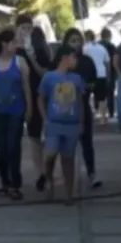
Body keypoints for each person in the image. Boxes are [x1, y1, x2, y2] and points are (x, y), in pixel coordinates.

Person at [38, 45, 87, 204]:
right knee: (50, 153)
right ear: (64, 58)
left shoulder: (77, 79)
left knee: (68, 159)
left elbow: (80, 102)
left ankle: (69, 194)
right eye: (74, 57)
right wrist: (45, 117)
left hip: (71, 124)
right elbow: (41, 98)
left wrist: (81, 121)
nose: (76, 61)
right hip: (54, 123)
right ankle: (48, 178)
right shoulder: (49, 77)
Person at [0, 29, 31, 201]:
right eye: (13, 42)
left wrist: (29, 108)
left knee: (13, 146)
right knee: (1, 148)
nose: (16, 45)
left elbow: (26, 87)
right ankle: (4, 182)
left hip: (16, 110)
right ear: (4, 44)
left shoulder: (20, 62)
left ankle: (15, 184)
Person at [13, 14, 53, 192]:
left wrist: (31, 56)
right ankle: (40, 175)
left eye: (28, 28)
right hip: (19, 97)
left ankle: (48, 172)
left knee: (43, 136)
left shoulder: (38, 45)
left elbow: (45, 72)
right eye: (22, 28)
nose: (25, 32)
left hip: (39, 95)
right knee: (33, 137)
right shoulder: (12, 48)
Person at [64, 29, 102, 188]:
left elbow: (94, 82)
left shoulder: (87, 61)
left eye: (78, 40)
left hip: (83, 107)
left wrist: (88, 89)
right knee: (67, 146)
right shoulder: (62, 62)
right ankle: (68, 178)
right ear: (66, 43)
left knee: (87, 142)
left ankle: (91, 172)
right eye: (72, 41)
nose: (76, 44)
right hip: (65, 109)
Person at [82, 30, 111, 126]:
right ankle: (103, 118)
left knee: (86, 97)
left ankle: (90, 116)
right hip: (101, 74)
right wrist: (108, 75)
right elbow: (107, 63)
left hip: (89, 76)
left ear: (86, 38)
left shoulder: (85, 48)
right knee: (102, 98)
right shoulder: (101, 48)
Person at [98, 28, 117, 120]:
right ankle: (111, 113)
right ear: (109, 36)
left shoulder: (96, 46)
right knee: (110, 94)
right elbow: (115, 60)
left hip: (98, 73)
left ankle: (101, 113)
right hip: (110, 73)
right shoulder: (111, 46)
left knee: (100, 94)